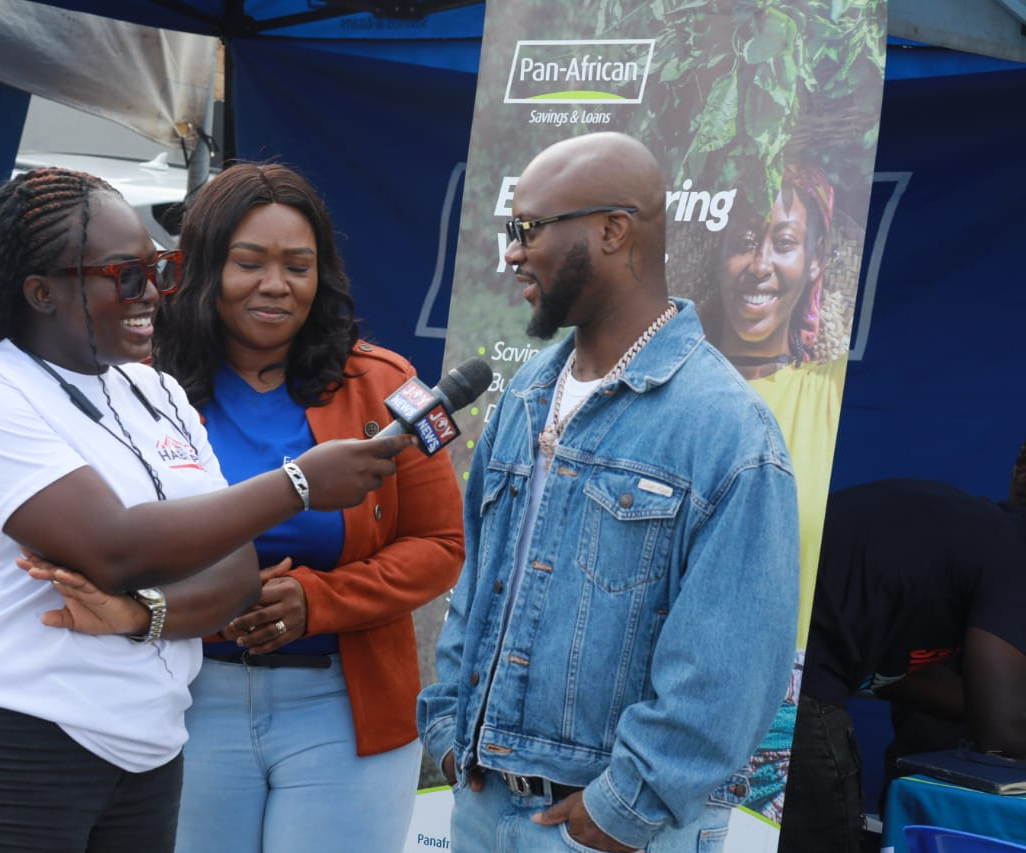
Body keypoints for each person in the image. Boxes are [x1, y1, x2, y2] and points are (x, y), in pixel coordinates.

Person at [0, 165, 414, 852]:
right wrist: (297, 485)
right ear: (42, 291)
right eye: (126, 275)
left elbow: (234, 576)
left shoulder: (154, 390)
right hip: (11, 748)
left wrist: (138, 614)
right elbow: (114, 546)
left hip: (148, 755)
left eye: (160, 267)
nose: (154, 293)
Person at [18, 162, 466, 852]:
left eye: (298, 265)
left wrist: (318, 599)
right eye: (249, 262)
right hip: (184, 700)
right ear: (201, 269)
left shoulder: (383, 383)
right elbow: (101, 539)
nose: (276, 285)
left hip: (345, 708)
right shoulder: (138, 385)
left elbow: (440, 547)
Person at [416, 131, 800, 852]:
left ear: (612, 230)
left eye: (526, 228)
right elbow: (477, 587)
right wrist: (446, 727)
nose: (510, 253)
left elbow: (732, 666)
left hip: (606, 832)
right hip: (479, 805)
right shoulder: (528, 393)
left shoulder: (727, 428)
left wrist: (626, 805)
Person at [778, 475, 1026, 853]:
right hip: (795, 667)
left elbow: (897, 678)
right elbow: (1000, 733)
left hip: (776, 649)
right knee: (825, 837)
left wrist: (988, 702)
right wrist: (1000, 711)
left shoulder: (970, 542)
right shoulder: (1013, 558)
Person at [701, 162, 846, 650]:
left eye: (783, 243)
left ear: (816, 259)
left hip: (781, 702)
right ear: (718, 253)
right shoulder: (666, 388)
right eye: (742, 241)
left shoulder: (831, 394)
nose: (759, 264)